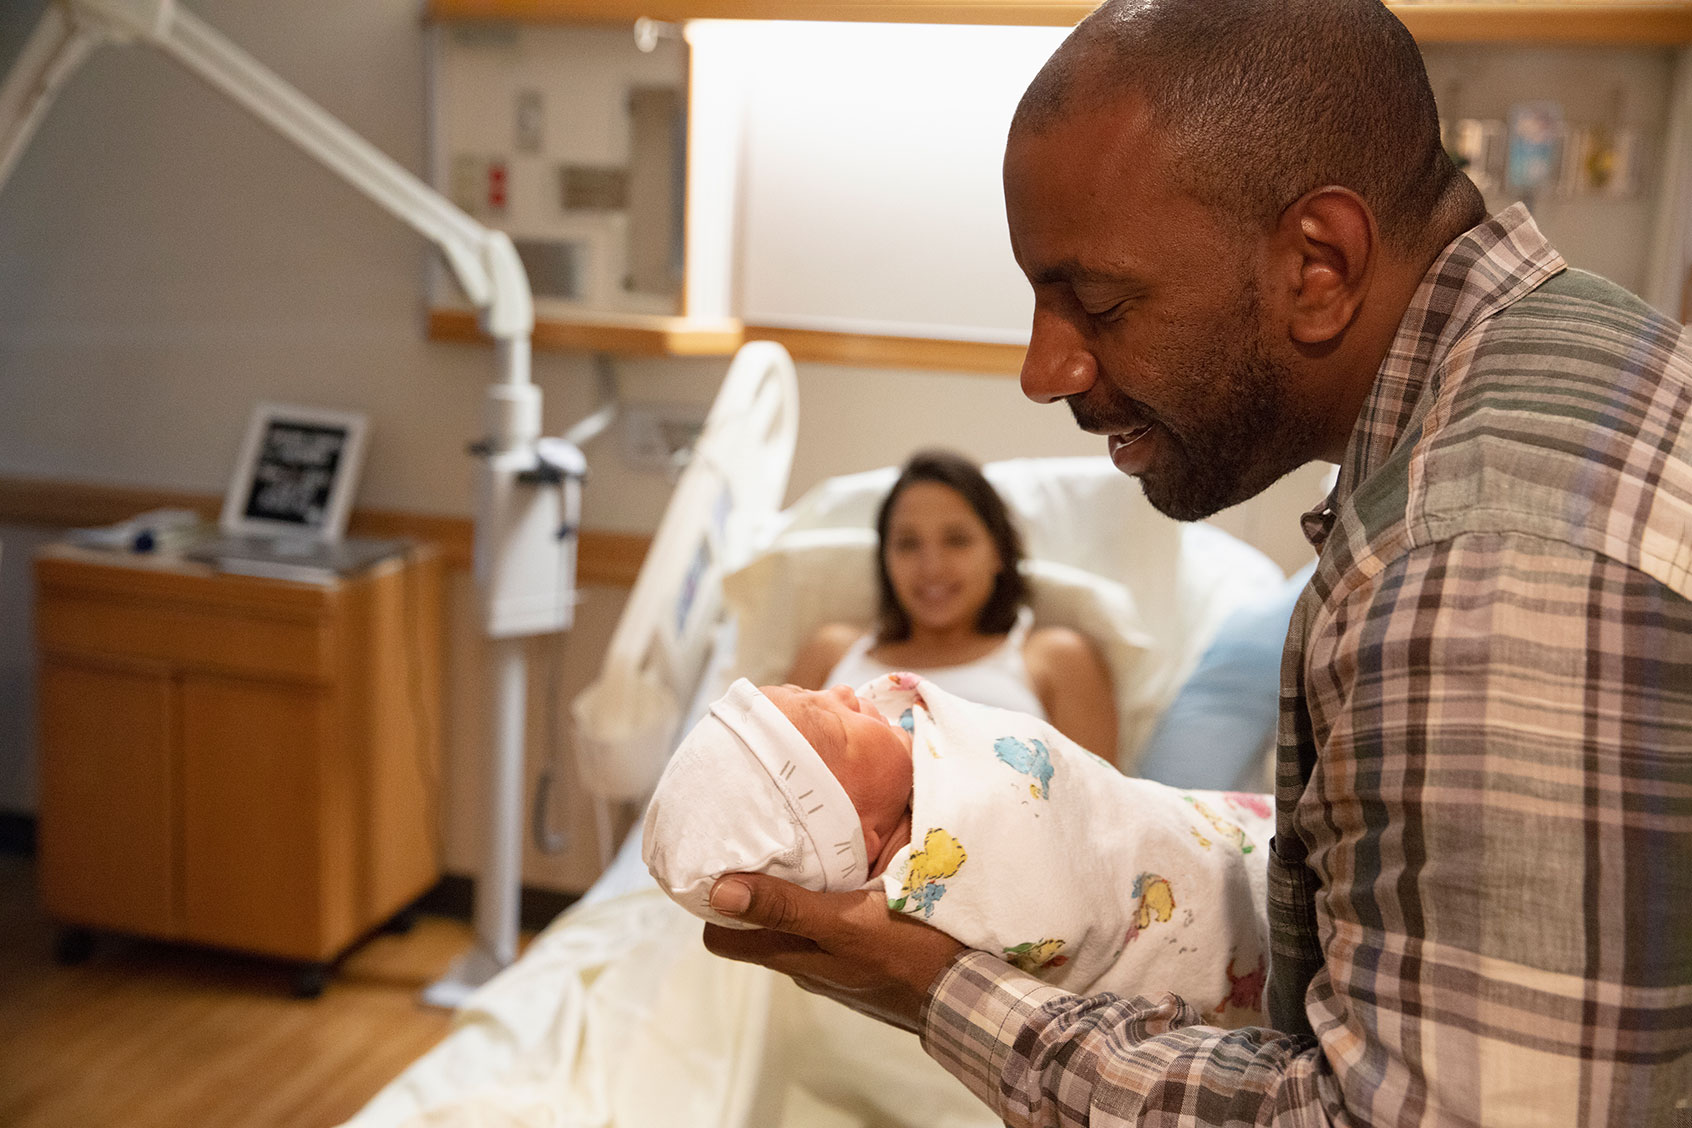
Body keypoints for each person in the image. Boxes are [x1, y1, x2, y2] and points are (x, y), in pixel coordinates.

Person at [700, 0, 1692, 1124]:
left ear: (1319, 265)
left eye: (1100, 303)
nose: (1044, 370)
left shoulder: (1476, 569)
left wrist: (938, 990)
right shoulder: (1577, 358)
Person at [642, 674, 1273, 1025]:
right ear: (856, 834)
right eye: (834, 722)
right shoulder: (928, 883)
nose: (844, 693)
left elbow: (1084, 806)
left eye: (815, 692)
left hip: (1202, 835)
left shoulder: (947, 735)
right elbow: (1046, 904)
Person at [787, 448, 1119, 760]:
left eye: (957, 540)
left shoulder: (1055, 659)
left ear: (998, 552)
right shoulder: (831, 653)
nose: (932, 567)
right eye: (908, 543)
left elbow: (1101, 796)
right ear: (885, 559)